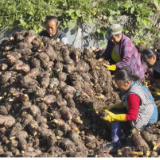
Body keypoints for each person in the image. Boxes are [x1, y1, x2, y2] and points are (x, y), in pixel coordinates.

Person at [100, 69, 158, 148]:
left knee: (116, 114)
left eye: (119, 85)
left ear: (127, 83)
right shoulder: (135, 83)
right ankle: (125, 136)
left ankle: (116, 142)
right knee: (115, 110)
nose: (118, 88)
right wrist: (112, 106)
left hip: (145, 121)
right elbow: (130, 104)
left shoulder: (133, 95)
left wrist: (113, 117)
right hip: (151, 114)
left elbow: (132, 116)